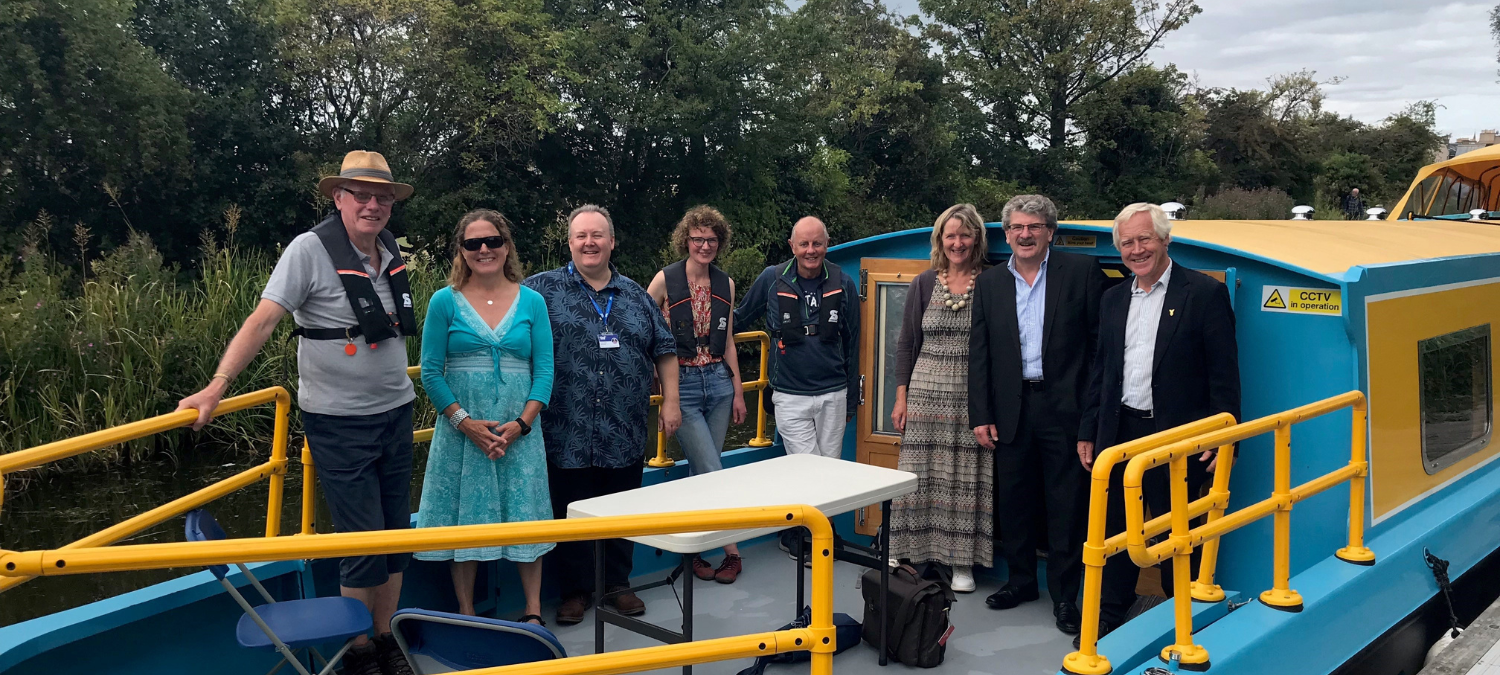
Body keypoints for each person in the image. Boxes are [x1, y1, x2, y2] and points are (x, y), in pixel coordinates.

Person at [175, 150, 418, 675]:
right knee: (362, 543)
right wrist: (218, 386)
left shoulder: (387, 249)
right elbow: (263, 320)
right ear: (339, 198)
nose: (373, 206)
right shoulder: (310, 250)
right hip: (338, 420)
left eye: (382, 197)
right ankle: (356, 651)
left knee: (397, 536)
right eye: (361, 195)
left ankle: (384, 638)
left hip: (396, 410)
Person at [1078, 202, 1241, 639]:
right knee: (1112, 529)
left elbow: (1224, 374)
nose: (1136, 249)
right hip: (1119, 434)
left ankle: (1184, 621)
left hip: (1178, 436)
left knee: (1178, 532)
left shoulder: (1204, 294)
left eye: (1144, 239)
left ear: (1165, 239)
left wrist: (1226, 435)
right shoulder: (1112, 299)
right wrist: (1088, 430)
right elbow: (1102, 371)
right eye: (1127, 242)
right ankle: (1108, 615)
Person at [525, 204, 681, 626]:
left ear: (612, 242)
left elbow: (665, 351)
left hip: (623, 427)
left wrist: (671, 402)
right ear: (570, 242)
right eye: (581, 236)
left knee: (621, 509)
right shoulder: (539, 291)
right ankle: (575, 591)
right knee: (569, 512)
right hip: (564, 428)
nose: (589, 243)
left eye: (598, 235)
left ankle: (616, 585)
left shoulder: (636, 296)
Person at [968, 194, 1105, 635]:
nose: (1024, 235)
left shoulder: (1082, 273)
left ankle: (1066, 598)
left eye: (1033, 227)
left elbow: (1101, 352)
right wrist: (981, 413)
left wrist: (1091, 418)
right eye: (1016, 228)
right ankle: (1022, 582)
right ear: (1006, 234)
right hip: (1011, 408)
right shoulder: (990, 284)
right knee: (1015, 503)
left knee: (1065, 506)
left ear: (1050, 232)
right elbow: (980, 354)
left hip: (1064, 408)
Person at [414, 210, 555, 624]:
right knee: (466, 518)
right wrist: (465, 423)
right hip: (463, 433)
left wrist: (523, 423)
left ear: (506, 245)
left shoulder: (532, 301)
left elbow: (544, 370)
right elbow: (430, 371)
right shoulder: (444, 301)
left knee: (526, 515)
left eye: (492, 241)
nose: (484, 250)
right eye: (473, 243)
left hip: (520, 431)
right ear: (461, 250)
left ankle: (532, 611)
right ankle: (467, 611)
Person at [734, 216, 860, 559]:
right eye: (803, 244)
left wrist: (851, 399)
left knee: (828, 467)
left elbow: (853, 342)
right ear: (792, 246)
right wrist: (704, 342)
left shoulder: (844, 283)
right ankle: (809, 536)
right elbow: (740, 317)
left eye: (817, 243)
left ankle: (809, 533)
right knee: (807, 467)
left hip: (833, 391)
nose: (810, 250)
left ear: (826, 245)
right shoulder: (771, 279)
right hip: (789, 394)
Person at [888, 204, 992, 594]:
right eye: (950, 235)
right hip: (925, 393)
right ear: (940, 240)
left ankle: (961, 562)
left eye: (965, 235)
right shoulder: (924, 283)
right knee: (918, 476)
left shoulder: (993, 283)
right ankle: (906, 552)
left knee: (964, 479)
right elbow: (905, 344)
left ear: (977, 239)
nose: (957, 242)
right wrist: (901, 398)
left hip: (972, 397)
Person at [645, 206, 749, 584]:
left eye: (711, 239)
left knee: (704, 471)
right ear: (685, 240)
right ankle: (733, 550)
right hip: (683, 385)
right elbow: (644, 327)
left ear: (719, 243)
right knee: (711, 469)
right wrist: (658, 380)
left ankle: (695, 553)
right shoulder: (663, 280)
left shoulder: (727, 283)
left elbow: (730, 340)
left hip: (719, 383)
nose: (705, 246)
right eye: (698, 239)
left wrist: (738, 390)